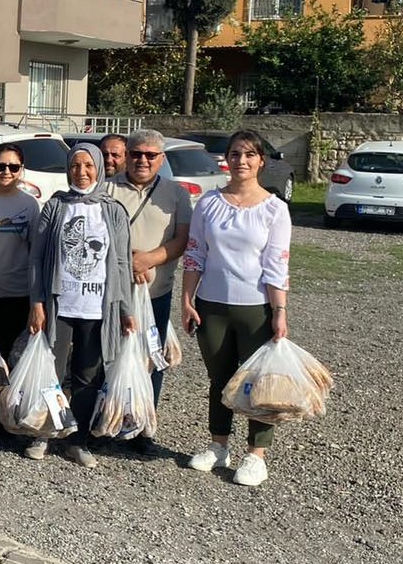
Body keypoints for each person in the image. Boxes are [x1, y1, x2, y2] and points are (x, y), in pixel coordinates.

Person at [181, 129, 291, 488]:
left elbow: (277, 264)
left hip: (255, 307)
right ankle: (219, 445)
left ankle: (256, 454)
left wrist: (279, 311)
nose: (241, 161)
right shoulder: (209, 204)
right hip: (212, 305)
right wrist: (187, 299)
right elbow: (195, 253)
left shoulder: (274, 209)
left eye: (249, 154)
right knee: (220, 377)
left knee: (258, 381)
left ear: (261, 161)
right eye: (235, 154)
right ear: (226, 159)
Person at [27, 143, 135, 468]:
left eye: (88, 165)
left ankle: (78, 439)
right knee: (52, 370)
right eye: (75, 165)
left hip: (97, 306)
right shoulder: (55, 206)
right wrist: (37, 302)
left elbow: (121, 262)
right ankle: (44, 432)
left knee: (87, 375)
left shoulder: (112, 210)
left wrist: (126, 310)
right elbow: (37, 258)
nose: (81, 172)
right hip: (60, 305)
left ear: (99, 168)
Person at [104, 128, 193, 455]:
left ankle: (143, 424)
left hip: (156, 292)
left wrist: (150, 259)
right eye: (136, 153)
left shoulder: (176, 194)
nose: (142, 160)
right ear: (127, 155)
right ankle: (109, 418)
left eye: (150, 155)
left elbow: (182, 239)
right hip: (113, 292)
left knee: (152, 358)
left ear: (161, 158)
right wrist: (129, 261)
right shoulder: (107, 189)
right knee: (109, 354)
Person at [0, 143, 40, 358]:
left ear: (21, 169)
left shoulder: (30, 204)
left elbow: (35, 251)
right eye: (0, 166)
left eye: (13, 167)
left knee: (10, 357)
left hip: (17, 295)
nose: (6, 172)